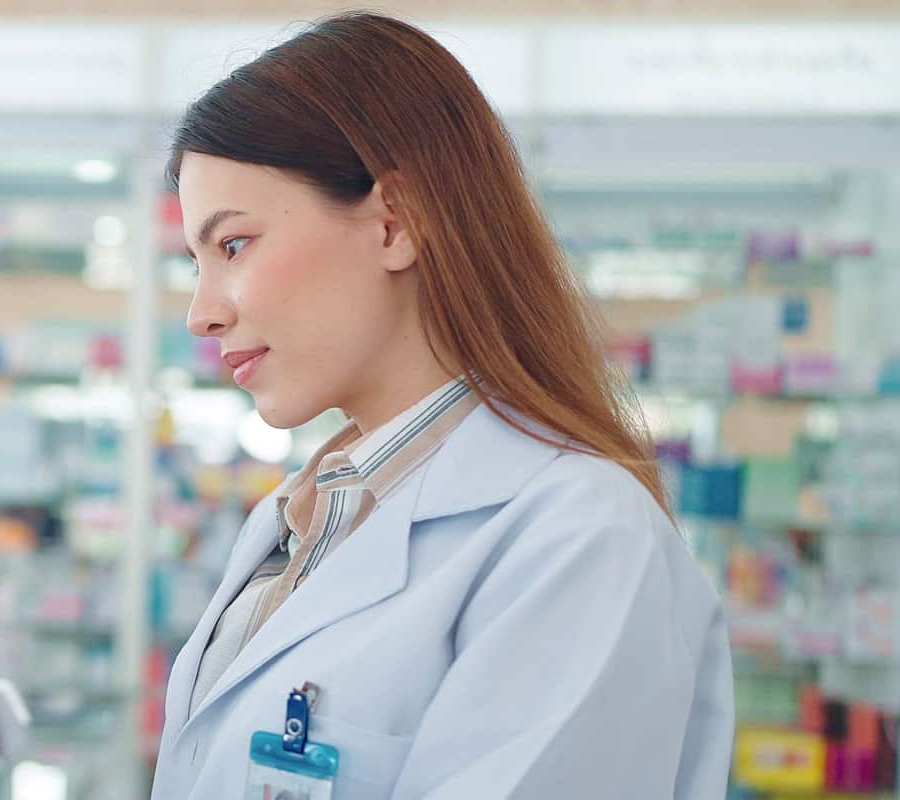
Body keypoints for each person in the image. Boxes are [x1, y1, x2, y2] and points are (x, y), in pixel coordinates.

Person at [151, 12, 732, 799]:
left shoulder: (578, 538)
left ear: (398, 222)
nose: (202, 312)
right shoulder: (299, 523)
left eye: (233, 246)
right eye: (196, 261)